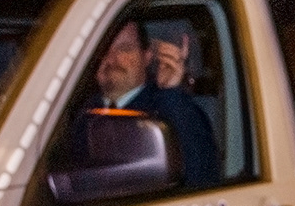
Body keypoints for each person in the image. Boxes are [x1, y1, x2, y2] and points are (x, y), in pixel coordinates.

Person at [79, 18, 220, 188]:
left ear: (146, 57)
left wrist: (172, 94)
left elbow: (200, 181)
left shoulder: (171, 109)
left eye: (124, 49)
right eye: (103, 50)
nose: (112, 58)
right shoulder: (77, 113)